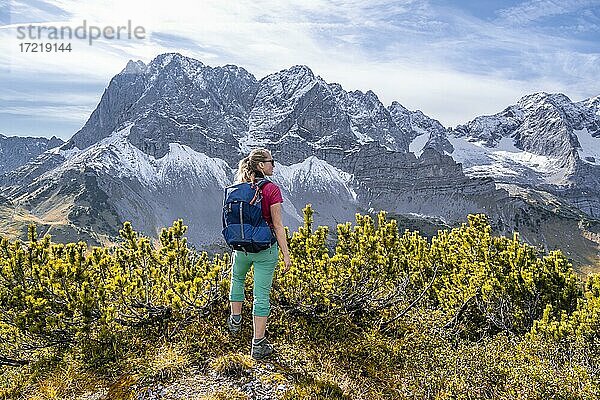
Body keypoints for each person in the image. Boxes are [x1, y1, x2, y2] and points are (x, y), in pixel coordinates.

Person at [227, 148, 291, 360]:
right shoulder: (271, 189)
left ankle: (235, 321)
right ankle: (258, 344)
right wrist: (286, 254)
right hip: (265, 249)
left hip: (240, 248)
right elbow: (278, 225)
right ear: (261, 166)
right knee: (260, 295)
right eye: (272, 161)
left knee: (237, 279)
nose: (274, 165)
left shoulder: (239, 188)